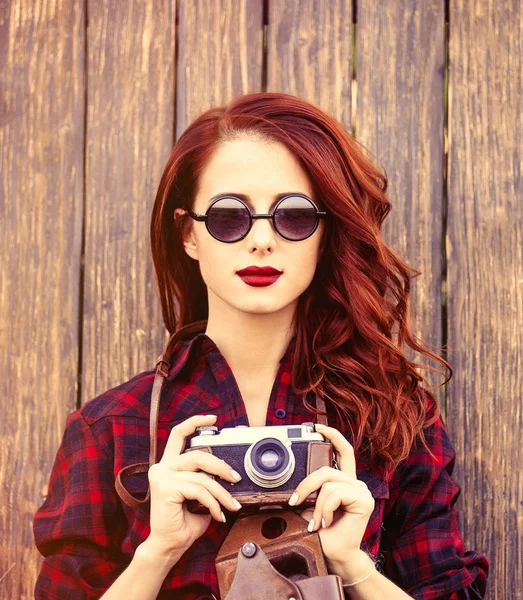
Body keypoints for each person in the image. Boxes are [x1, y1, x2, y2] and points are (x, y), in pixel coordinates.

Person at [33, 92, 489, 600]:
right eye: (230, 217)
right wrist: (157, 552)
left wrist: (352, 565)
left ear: (324, 233)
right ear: (189, 234)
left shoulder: (395, 416)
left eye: (293, 216)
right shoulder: (111, 429)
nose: (262, 240)